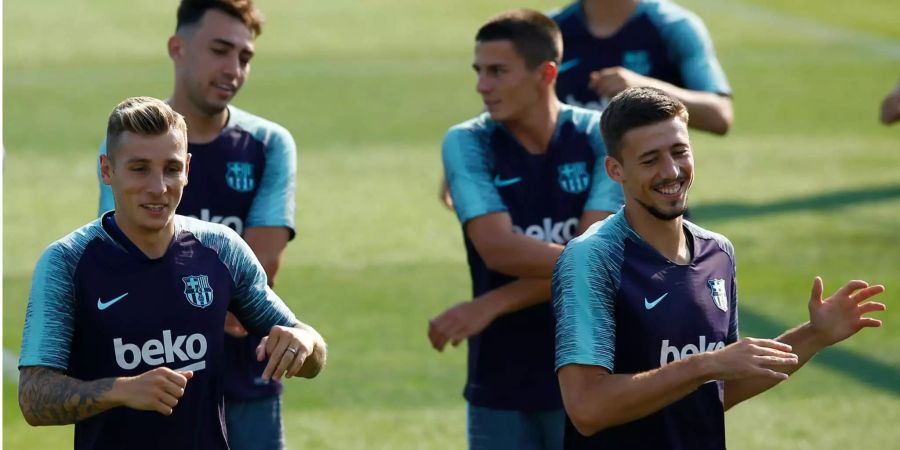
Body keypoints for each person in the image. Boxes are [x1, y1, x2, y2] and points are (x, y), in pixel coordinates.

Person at [551, 87, 886, 449]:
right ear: (616, 170)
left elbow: (721, 390)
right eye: (650, 160)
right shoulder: (593, 257)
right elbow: (587, 409)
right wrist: (703, 365)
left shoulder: (718, 252)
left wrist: (814, 335)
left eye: (680, 151)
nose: (672, 171)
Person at [19, 97, 326, 450]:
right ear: (107, 170)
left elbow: (310, 355)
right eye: (139, 168)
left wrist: (305, 342)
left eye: (171, 168)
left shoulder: (221, 249)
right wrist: (121, 390)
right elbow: (33, 397)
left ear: (187, 169)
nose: (158, 187)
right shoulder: (68, 262)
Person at [95, 1, 297, 448]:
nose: (233, 70)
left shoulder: (268, 144)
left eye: (244, 58)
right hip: (154, 377)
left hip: (247, 379)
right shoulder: (131, 141)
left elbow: (260, 268)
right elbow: (117, 257)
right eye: (220, 50)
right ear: (177, 48)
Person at [428, 10, 624, 450]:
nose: (482, 86)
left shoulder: (600, 136)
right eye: (478, 71)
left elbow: (595, 259)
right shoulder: (467, 141)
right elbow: (500, 250)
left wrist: (494, 302)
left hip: (594, 371)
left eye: (497, 71)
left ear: (546, 73)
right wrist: (611, 262)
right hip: (500, 379)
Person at [551, 0, 733, 135]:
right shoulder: (549, 32)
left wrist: (646, 92)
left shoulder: (673, 26)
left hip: (650, 182)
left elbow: (719, 115)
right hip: (567, 182)